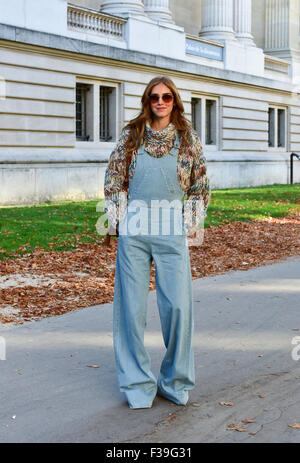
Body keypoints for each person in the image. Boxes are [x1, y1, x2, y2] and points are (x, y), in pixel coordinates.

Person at [104, 76, 210, 409]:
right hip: (134, 231)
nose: (160, 102)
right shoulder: (130, 136)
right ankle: (136, 384)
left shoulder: (188, 139)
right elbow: (114, 181)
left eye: (166, 97)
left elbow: (200, 186)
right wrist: (114, 222)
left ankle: (175, 381)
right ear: (147, 101)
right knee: (131, 311)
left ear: (174, 101)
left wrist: (187, 223)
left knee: (178, 307)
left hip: (170, 230)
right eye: (154, 97)